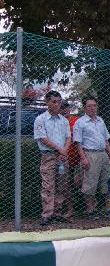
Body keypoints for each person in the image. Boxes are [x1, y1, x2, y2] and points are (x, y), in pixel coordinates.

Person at [34, 91, 72, 226]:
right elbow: (42, 138)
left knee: (62, 185)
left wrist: (64, 151)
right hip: (48, 156)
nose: (57, 105)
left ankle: (57, 213)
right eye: (54, 102)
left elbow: (68, 137)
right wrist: (59, 149)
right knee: (48, 185)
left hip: (62, 157)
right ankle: (47, 214)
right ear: (47, 102)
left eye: (59, 102)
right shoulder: (41, 119)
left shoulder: (64, 120)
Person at [73, 96, 110, 219]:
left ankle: (108, 209)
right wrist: (83, 158)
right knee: (90, 184)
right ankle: (90, 210)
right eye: (89, 106)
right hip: (89, 154)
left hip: (103, 154)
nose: (92, 108)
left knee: (108, 181)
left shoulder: (100, 120)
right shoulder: (80, 123)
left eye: (94, 105)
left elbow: (106, 139)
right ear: (84, 107)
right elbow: (78, 142)